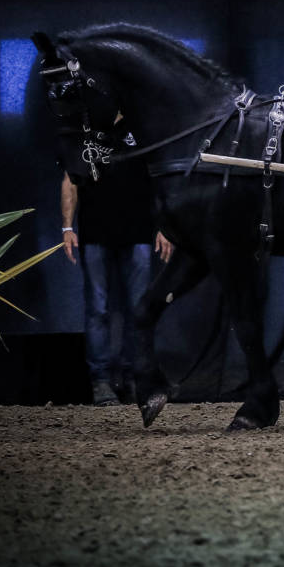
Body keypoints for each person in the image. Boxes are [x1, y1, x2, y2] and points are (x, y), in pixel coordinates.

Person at [60, 132, 172, 405]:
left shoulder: (141, 128)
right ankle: (100, 380)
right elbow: (70, 180)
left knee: (138, 309)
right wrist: (67, 227)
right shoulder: (86, 130)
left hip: (138, 231)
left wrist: (164, 227)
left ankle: (132, 377)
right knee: (98, 309)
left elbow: (160, 180)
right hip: (96, 232)